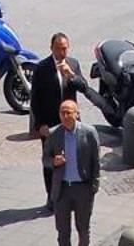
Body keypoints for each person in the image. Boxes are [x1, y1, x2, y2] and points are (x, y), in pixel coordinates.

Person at [46, 96, 101, 246]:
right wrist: (54, 161)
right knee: (63, 233)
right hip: (62, 190)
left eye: (69, 112)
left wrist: (94, 186)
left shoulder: (89, 133)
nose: (65, 115)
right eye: (62, 112)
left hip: (83, 189)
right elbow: (45, 159)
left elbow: (96, 161)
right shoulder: (54, 134)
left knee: (82, 229)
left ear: (77, 114)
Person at [31, 33, 90, 209]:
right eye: (59, 48)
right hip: (50, 125)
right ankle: (51, 197)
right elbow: (35, 99)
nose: (62, 52)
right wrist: (39, 125)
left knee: (71, 158)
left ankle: (68, 196)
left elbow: (84, 87)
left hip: (71, 123)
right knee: (50, 162)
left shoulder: (73, 64)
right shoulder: (42, 68)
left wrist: (71, 75)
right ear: (52, 48)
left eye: (65, 48)